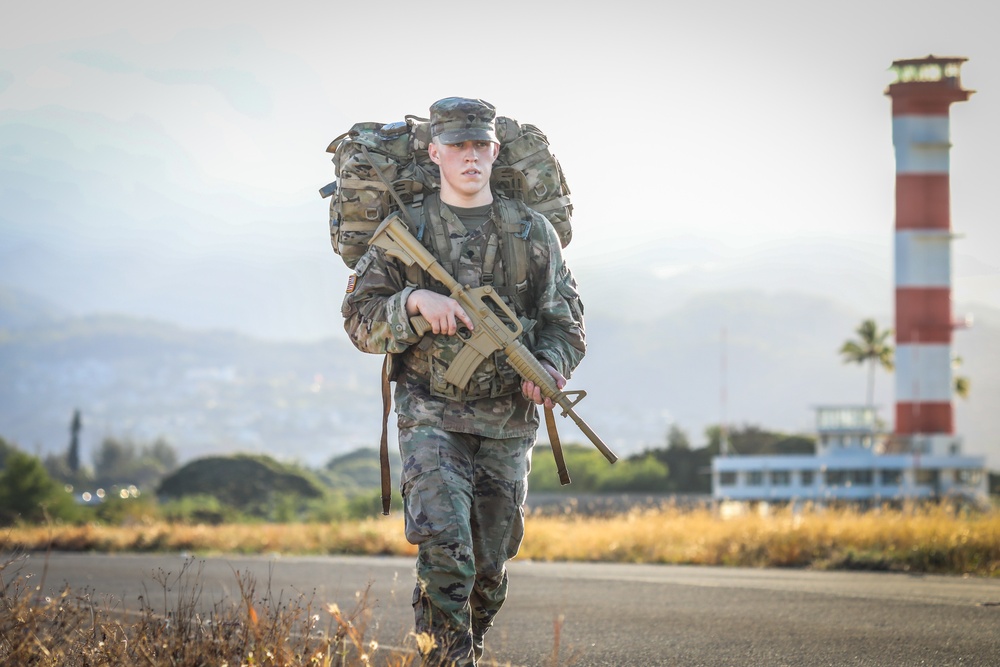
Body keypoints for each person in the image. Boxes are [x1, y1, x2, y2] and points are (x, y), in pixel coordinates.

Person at [341, 97, 586, 666]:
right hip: (430, 416)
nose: (470, 157)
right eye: (457, 146)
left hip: (508, 422)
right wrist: (414, 302)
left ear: (495, 151)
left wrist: (549, 366)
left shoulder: (533, 232)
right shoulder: (405, 230)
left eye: (480, 145)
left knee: (490, 566)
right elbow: (359, 320)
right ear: (434, 153)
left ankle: (460, 641)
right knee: (445, 551)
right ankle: (448, 660)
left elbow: (566, 324)